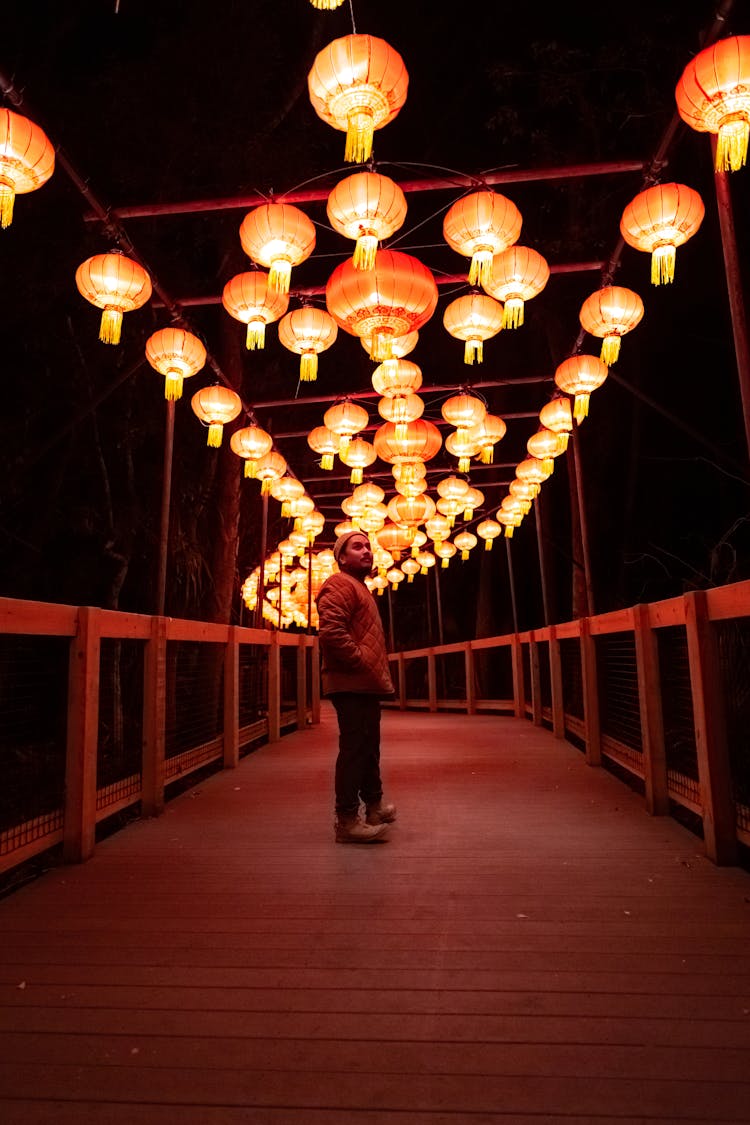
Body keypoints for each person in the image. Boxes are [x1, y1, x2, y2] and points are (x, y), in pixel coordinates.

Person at [316, 528, 397, 844]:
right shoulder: (339, 584)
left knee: (368, 748)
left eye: (368, 546)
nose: (366, 551)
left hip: (364, 682)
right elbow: (332, 631)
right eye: (357, 547)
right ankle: (347, 819)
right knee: (354, 750)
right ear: (341, 557)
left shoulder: (359, 587)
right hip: (352, 681)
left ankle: (373, 806)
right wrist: (360, 661)